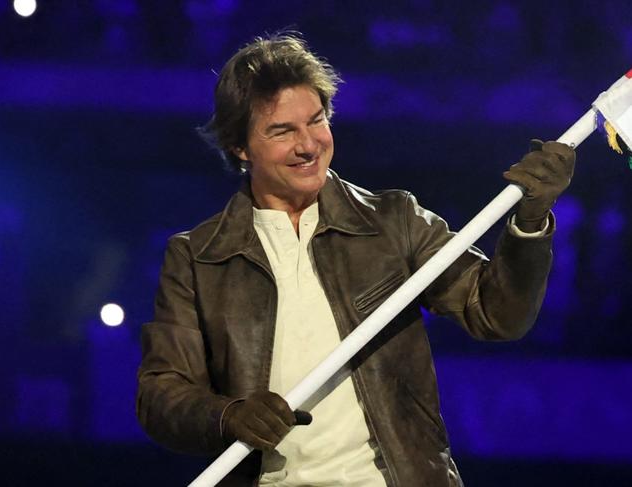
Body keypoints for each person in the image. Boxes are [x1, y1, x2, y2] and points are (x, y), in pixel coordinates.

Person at [136, 33, 575, 486]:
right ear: (240, 148)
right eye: (283, 131)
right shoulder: (197, 256)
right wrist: (227, 415)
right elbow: (160, 395)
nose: (309, 145)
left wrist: (531, 222)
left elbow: (497, 314)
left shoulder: (395, 221)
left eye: (317, 120)